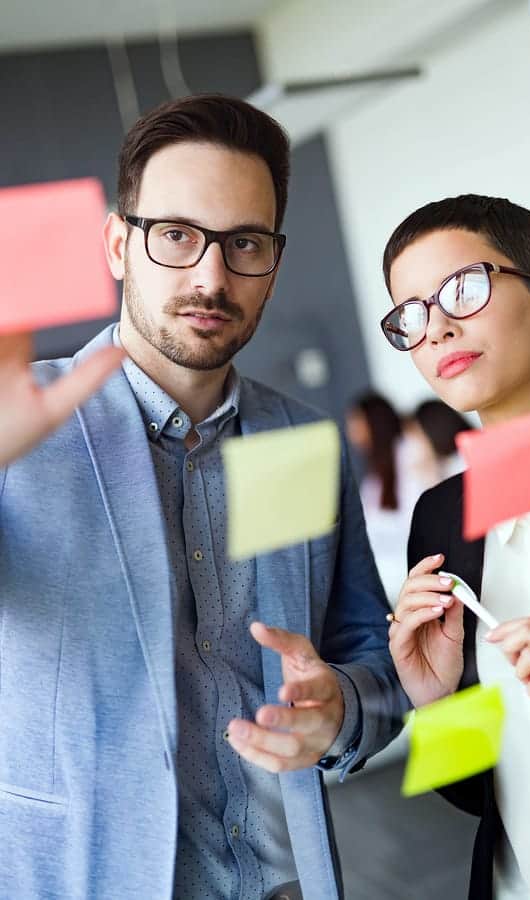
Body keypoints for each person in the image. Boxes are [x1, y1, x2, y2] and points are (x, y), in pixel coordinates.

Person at [0, 95, 404, 900]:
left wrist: (340, 715)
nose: (211, 276)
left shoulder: (300, 443)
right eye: (176, 235)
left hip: (279, 881)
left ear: (274, 263)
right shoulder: (20, 430)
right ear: (118, 244)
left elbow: (372, 663)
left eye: (244, 243)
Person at [381, 194, 530, 900]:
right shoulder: (442, 522)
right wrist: (435, 703)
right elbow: (482, 797)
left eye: (464, 289)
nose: (437, 327)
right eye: (410, 315)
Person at [345, 391, 439, 601]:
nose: (352, 433)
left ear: (373, 422)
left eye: (356, 423)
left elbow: (419, 516)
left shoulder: (411, 453)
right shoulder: (377, 473)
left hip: (409, 564)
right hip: (390, 566)